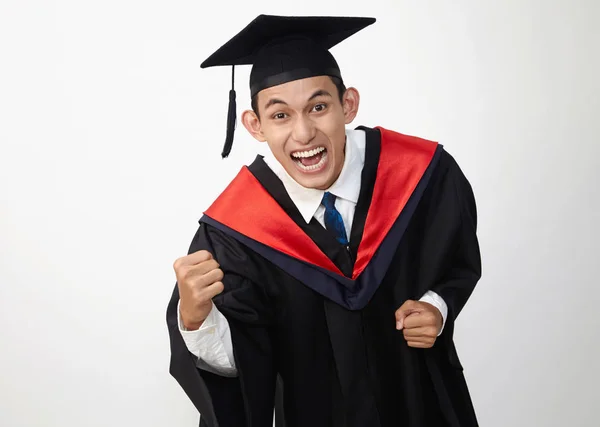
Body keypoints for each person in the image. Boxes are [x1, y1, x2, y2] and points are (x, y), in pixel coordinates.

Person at [166, 14, 481, 427]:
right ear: (254, 125)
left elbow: (456, 261)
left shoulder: (422, 175)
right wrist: (195, 318)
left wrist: (438, 306)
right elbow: (242, 367)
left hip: (423, 409)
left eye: (318, 107)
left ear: (347, 104)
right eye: (280, 115)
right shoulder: (235, 233)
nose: (303, 133)